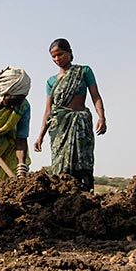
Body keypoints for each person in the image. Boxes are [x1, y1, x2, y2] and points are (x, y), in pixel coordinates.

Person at [34, 38, 107, 192]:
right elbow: (49, 110)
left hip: (80, 123)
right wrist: (40, 135)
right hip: (59, 127)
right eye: (53, 57)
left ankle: (85, 194)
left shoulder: (84, 71)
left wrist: (101, 117)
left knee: (83, 162)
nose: (57, 59)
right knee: (60, 167)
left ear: (70, 53)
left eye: (60, 54)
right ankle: (63, 195)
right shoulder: (51, 81)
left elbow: (95, 96)